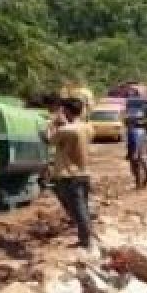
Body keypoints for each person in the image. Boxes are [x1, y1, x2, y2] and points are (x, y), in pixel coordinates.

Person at [49, 97, 94, 251]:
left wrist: (53, 123)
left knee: (76, 208)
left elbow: (48, 139)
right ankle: (87, 236)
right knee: (83, 207)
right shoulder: (88, 128)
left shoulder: (65, 130)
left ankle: (85, 241)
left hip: (68, 175)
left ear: (67, 111)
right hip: (84, 173)